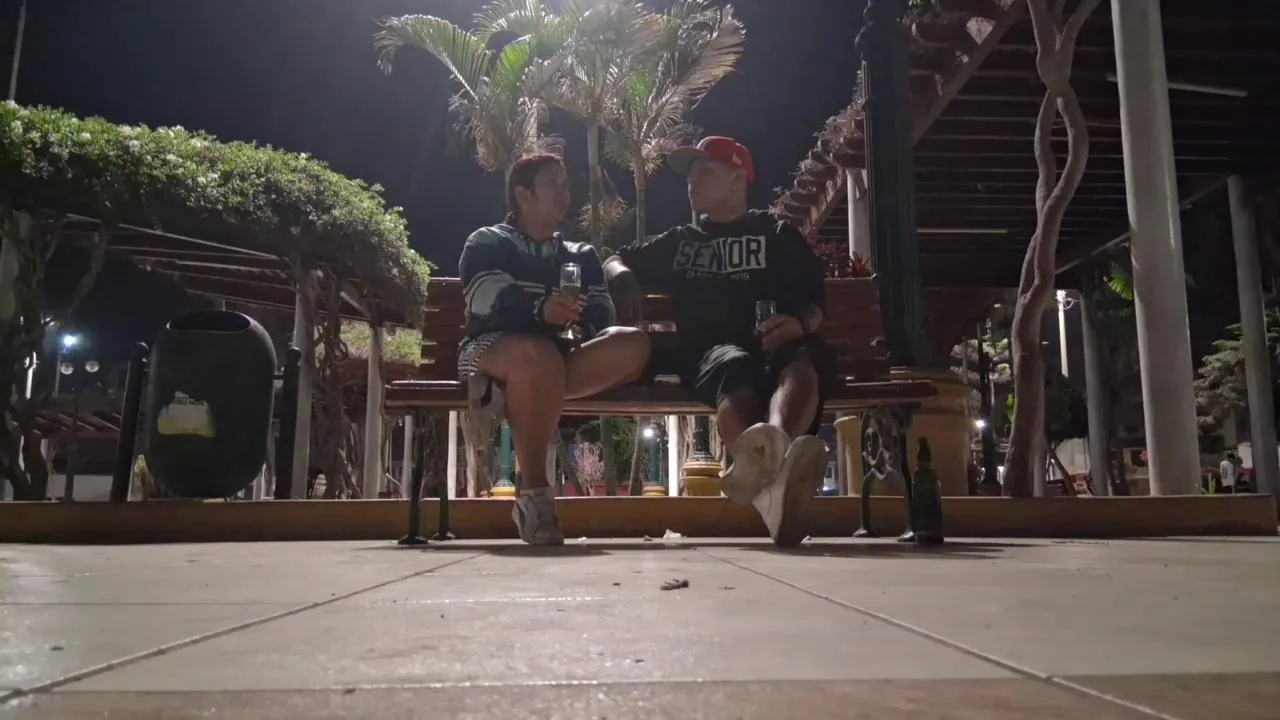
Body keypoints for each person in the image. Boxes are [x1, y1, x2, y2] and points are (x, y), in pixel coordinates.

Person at [603, 136, 833, 548]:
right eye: (690, 175)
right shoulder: (681, 241)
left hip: (776, 345)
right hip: (713, 356)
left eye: (705, 172)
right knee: (735, 367)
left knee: (800, 361)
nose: (691, 182)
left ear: (736, 180)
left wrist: (798, 323)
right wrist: (622, 277)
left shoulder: (776, 234)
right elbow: (614, 257)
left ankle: (770, 455)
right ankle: (777, 473)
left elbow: (816, 302)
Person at [458, 152, 651, 546]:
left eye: (565, 184)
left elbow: (601, 310)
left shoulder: (581, 255)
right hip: (489, 351)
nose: (564, 192)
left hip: (558, 357)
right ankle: (534, 497)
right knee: (538, 356)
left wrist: (579, 324)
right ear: (523, 195)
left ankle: (523, 394)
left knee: (633, 343)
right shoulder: (488, 241)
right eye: (551, 183)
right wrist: (540, 309)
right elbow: (485, 294)